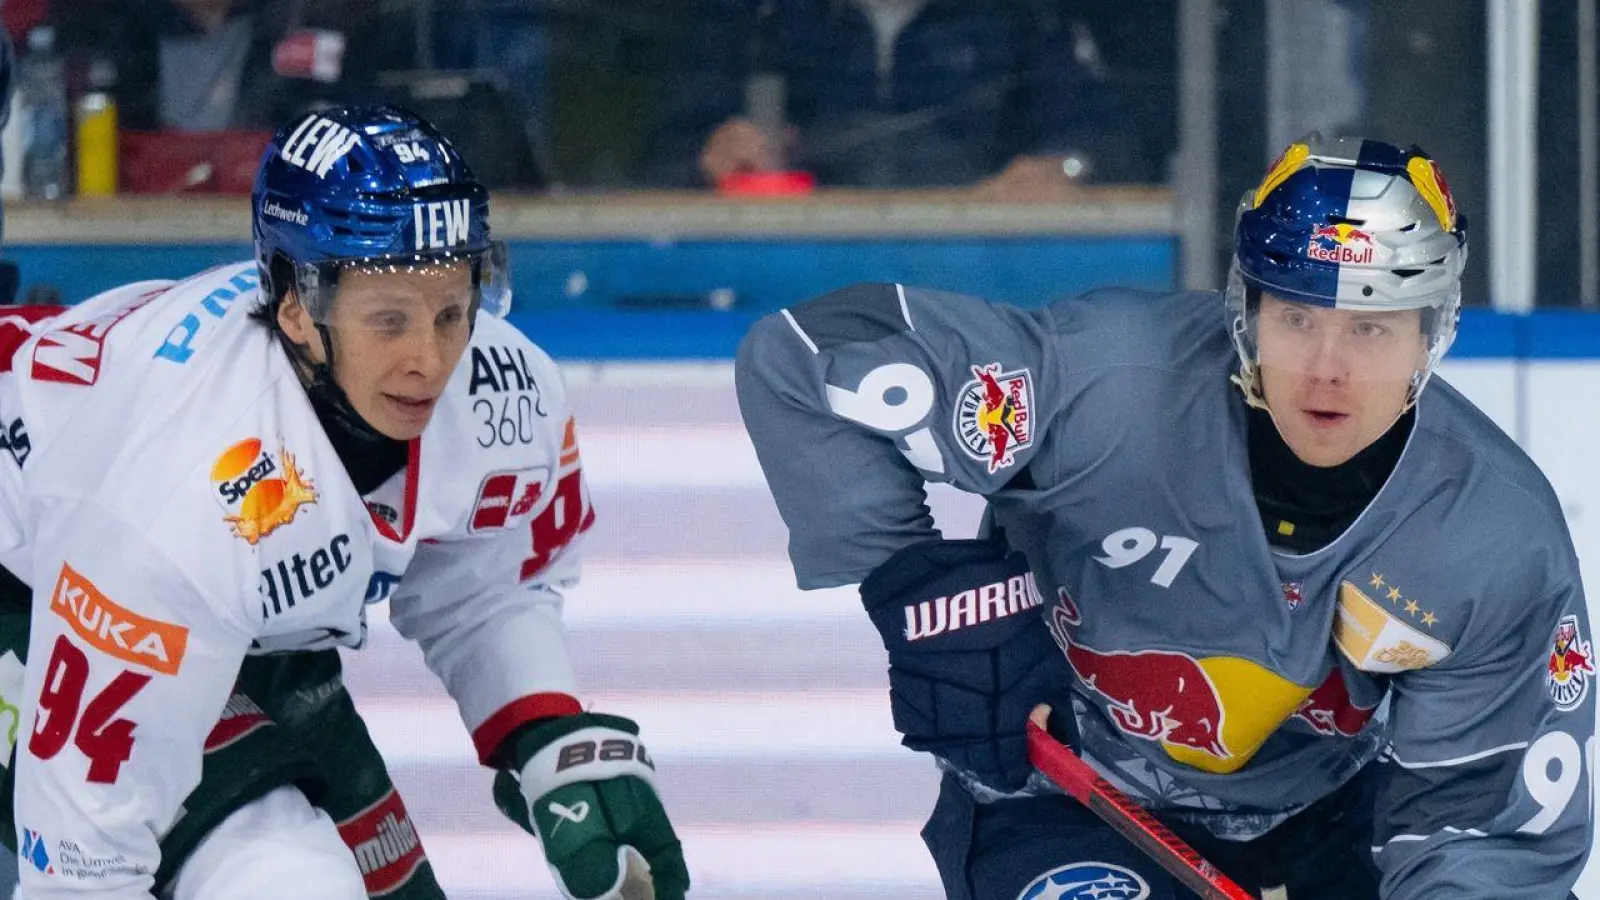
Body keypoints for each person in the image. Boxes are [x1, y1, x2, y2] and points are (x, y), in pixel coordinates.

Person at [735, 132, 1594, 898]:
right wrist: (920, 590)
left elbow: (1483, 832)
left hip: (1334, 822)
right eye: (1297, 317)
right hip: (1065, 796)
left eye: (1371, 329)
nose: (1328, 368)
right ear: (1248, 312)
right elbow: (805, 359)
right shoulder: (1106, 387)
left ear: (1430, 334)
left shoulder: (1492, 538)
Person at [0, 104, 689, 900]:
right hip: (36, 575)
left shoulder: (506, 388)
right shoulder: (176, 493)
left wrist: (540, 728)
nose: (427, 362)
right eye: (388, 320)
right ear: (295, 306)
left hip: (226, 611)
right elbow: (84, 867)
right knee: (283, 879)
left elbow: (483, 585)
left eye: (451, 310)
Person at [641, 0, 1157, 192]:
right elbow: (655, 164)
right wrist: (708, 154)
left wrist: (1063, 170)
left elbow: (1108, 142)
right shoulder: (759, 18)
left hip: (982, 287)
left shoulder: (1020, 16)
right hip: (788, 283)